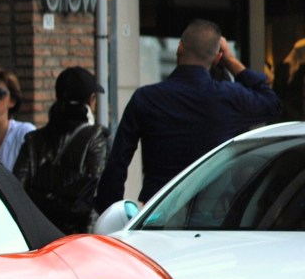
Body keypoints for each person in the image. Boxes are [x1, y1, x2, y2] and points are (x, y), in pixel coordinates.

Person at [94, 19, 282, 210]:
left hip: (158, 212)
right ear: (218, 58)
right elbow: (271, 103)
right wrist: (230, 59)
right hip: (213, 214)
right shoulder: (228, 97)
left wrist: (109, 210)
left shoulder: (146, 98)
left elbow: (118, 162)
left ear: (180, 48)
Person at [13, 66, 110, 234]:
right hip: (75, 241)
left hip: (37, 236)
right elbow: (98, 193)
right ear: (91, 100)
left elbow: (16, 190)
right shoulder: (96, 138)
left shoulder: (33, 140)